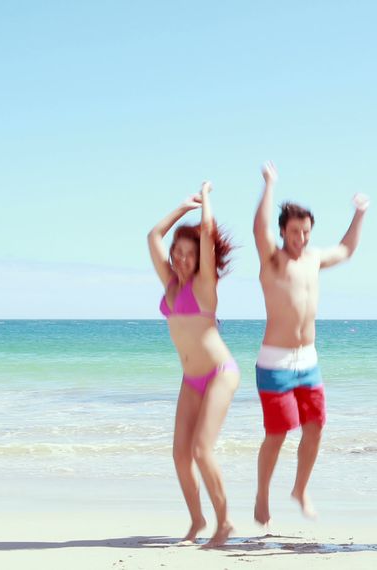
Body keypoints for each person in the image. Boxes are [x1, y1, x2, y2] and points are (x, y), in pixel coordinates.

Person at [251, 161, 369, 526]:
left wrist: (359, 213)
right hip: (275, 362)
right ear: (283, 232)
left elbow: (347, 250)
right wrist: (270, 185)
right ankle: (262, 494)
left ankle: (300, 489)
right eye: (294, 233)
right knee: (278, 432)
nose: (300, 239)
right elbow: (259, 227)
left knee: (315, 427)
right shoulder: (273, 260)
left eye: (305, 233)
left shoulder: (314, 259)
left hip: (308, 360)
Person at [147, 181, 239, 547]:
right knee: (180, 454)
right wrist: (182, 207)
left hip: (219, 373)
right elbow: (153, 235)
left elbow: (208, 234)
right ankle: (197, 520)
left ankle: (225, 522)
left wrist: (206, 202)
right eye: (177, 253)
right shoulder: (170, 286)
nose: (182, 259)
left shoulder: (205, 284)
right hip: (191, 378)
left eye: (189, 253)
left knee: (201, 449)